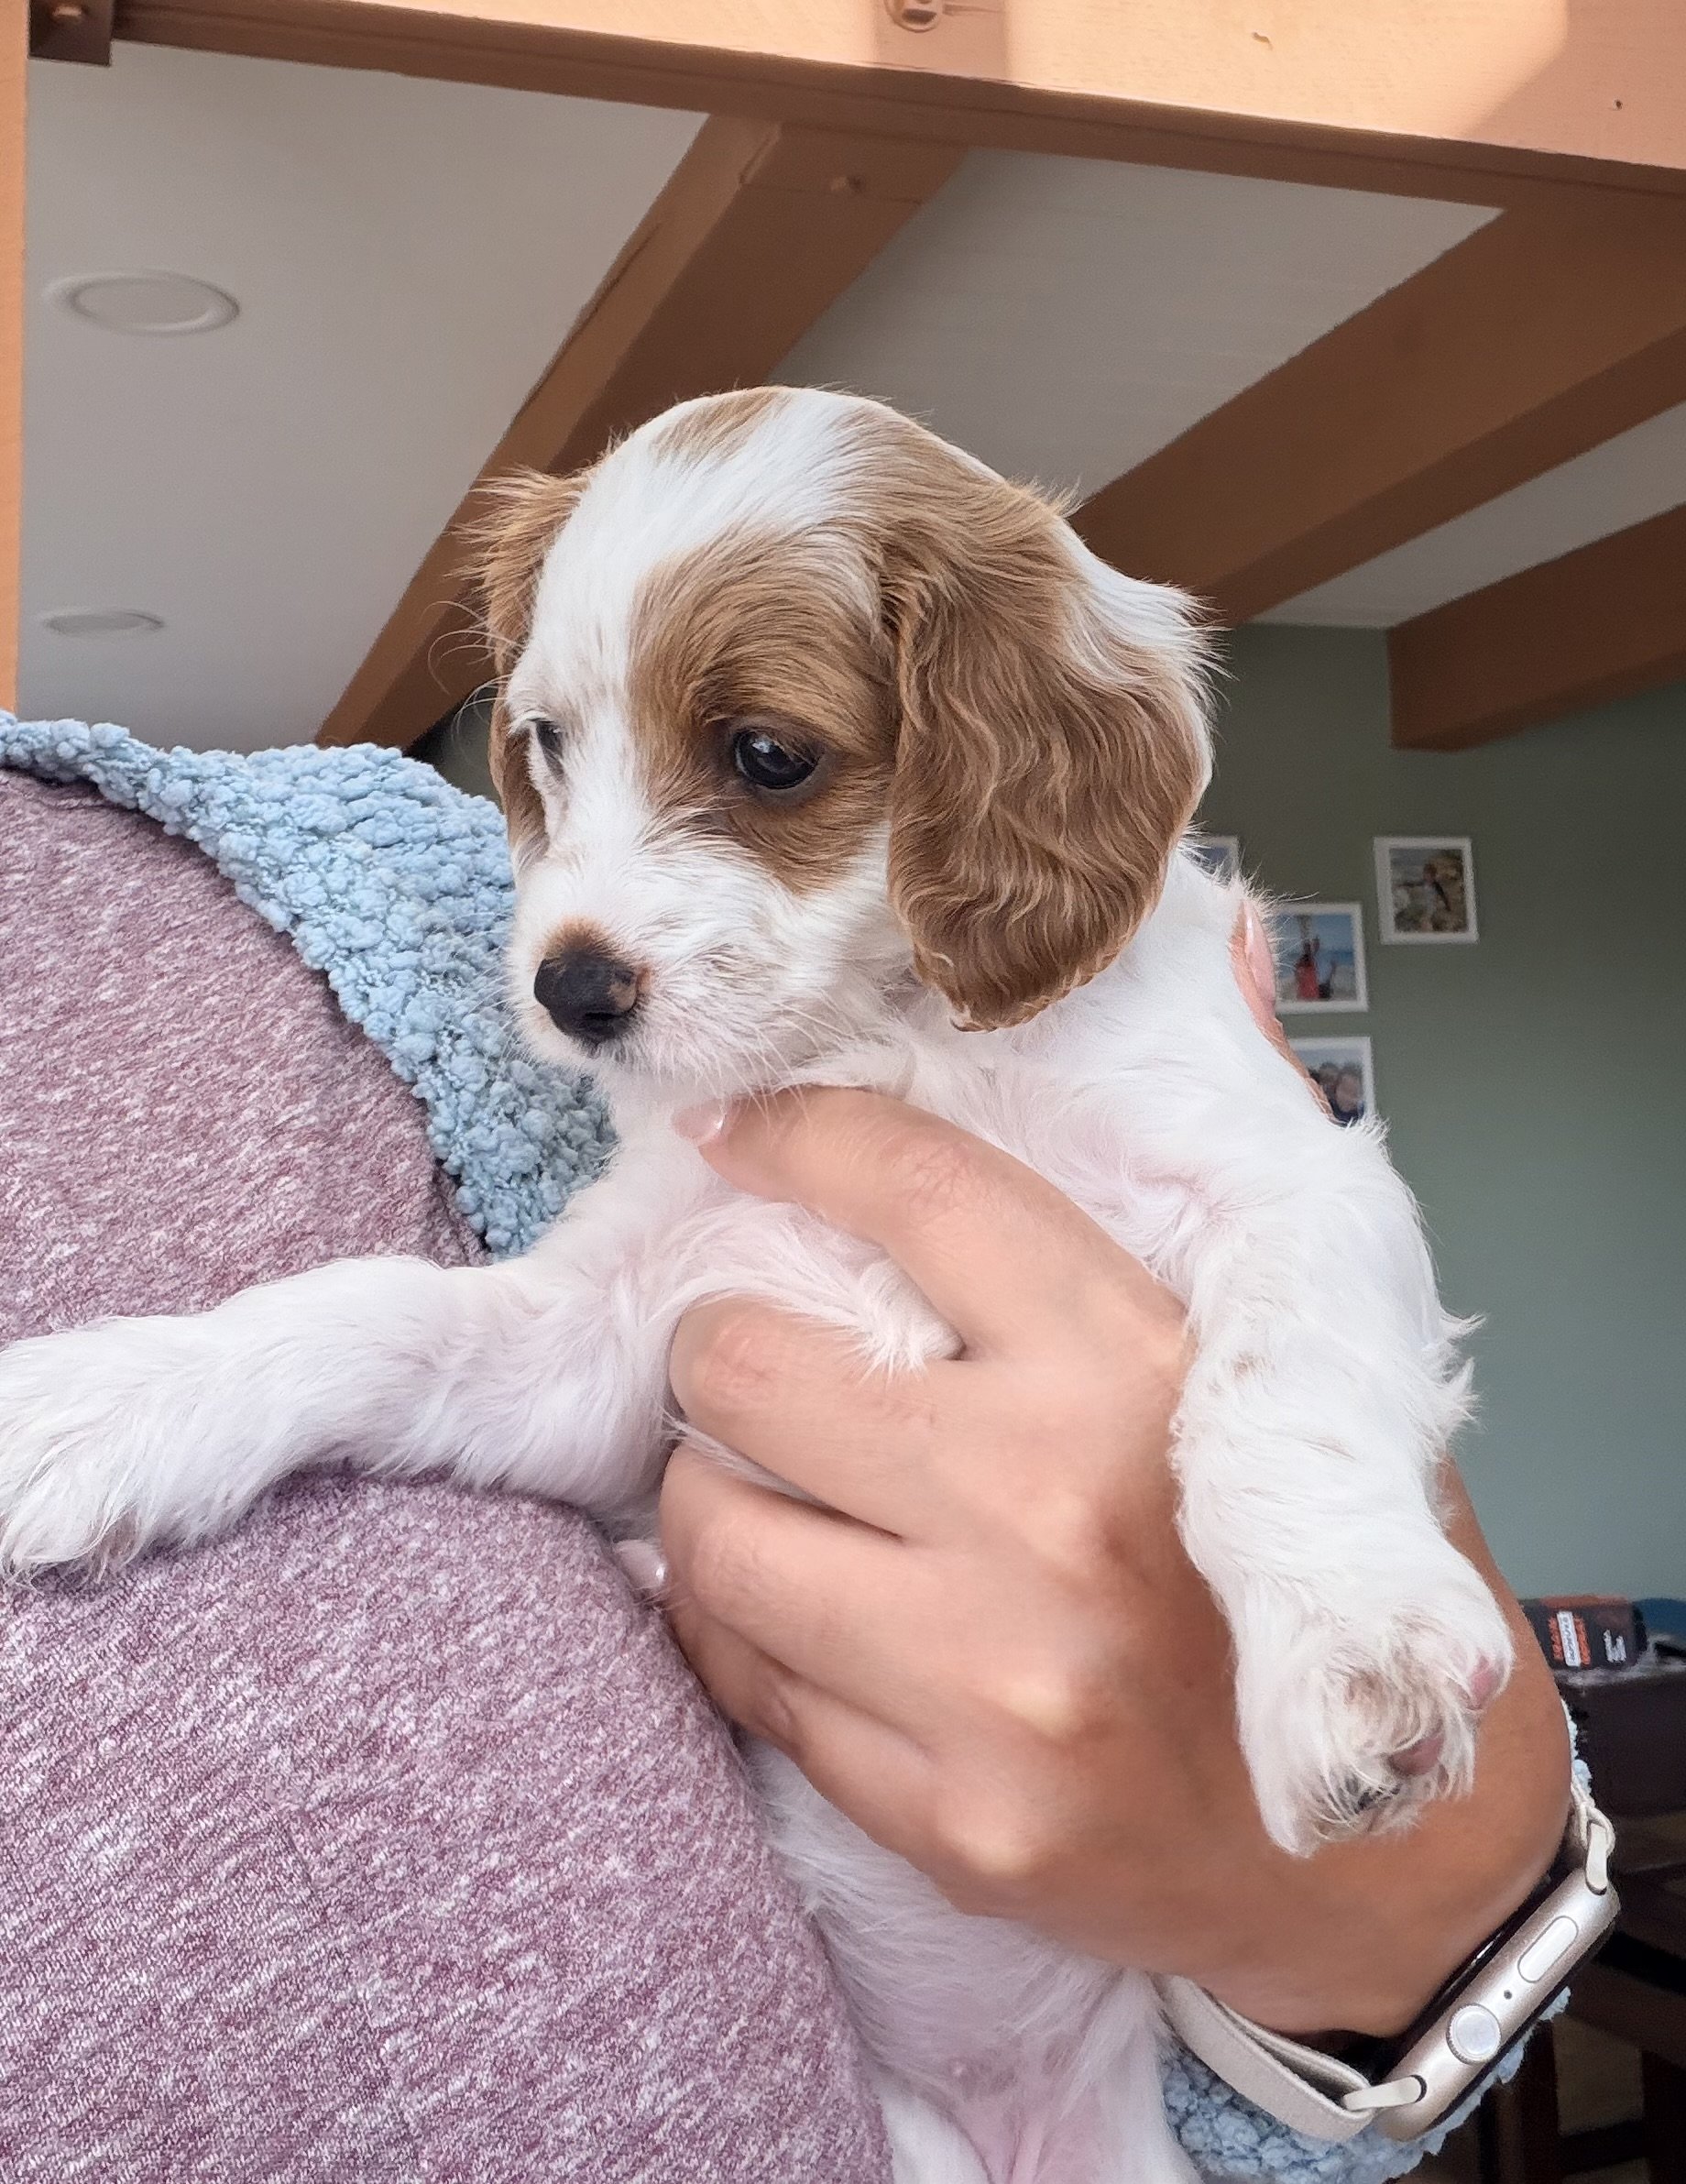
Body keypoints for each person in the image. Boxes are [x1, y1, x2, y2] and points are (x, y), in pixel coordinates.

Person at [0, 769, 1569, 2177]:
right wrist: (216, 1383)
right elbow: (554, 1353)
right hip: (872, 2090)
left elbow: (1310, 1240)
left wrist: (1339, 1641)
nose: (585, 886)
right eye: (550, 752)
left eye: (760, 764)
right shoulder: (676, 1087)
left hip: (1113, 2073)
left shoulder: (1124, 1010)